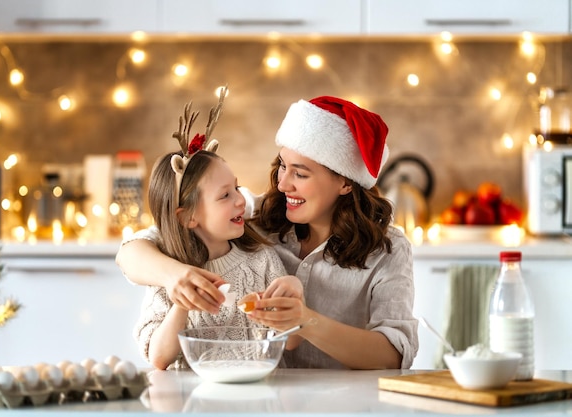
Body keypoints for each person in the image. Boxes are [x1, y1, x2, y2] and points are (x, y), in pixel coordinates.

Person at [117, 95, 418, 370]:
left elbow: (393, 355)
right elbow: (136, 248)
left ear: (346, 183)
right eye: (282, 166)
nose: (284, 184)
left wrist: (305, 320)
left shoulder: (388, 248)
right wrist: (175, 277)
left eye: (300, 173)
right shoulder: (254, 216)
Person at [130, 93, 303, 370]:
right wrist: (182, 303)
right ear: (188, 217)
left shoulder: (261, 260)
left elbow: (291, 343)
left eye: (236, 187)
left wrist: (294, 294)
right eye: (224, 196)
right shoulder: (170, 274)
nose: (239, 200)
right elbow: (159, 358)